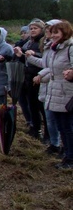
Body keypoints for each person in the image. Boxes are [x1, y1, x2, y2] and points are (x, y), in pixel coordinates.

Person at [25, 20, 73, 169]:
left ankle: (71, 159)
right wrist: (41, 76)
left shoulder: (70, 47)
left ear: (65, 33)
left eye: (56, 33)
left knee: (67, 127)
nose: (52, 36)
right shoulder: (55, 48)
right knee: (61, 126)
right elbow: (51, 69)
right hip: (55, 91)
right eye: (51, 33)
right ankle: (66, 154)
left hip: (67, 93)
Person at [31, 20, 63, 155]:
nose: (50, 32)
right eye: (49, 29)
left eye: (54, 30)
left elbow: (56, 69)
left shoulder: (64, 48)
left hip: (60, 89)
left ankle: (63, 147)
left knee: (61, 122)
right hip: (48, 88)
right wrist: (29, 58)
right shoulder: (49, 46)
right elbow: (46, 64)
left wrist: (41, 76)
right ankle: (54, 144)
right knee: (49, 119)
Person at [13, 19, 47, 140]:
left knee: (42, 107)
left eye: (35, 28)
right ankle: (35, 128)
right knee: (32, 105)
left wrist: (35, 55)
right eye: (31, 28)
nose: (32, 30)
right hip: (28, 77)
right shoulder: (28, 42)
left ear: (41, 29)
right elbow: (25, 60)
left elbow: (46, 59)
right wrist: (20, 54)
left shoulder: (44, 42)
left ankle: (47, 132)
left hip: (41, 77)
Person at [15, 25, 33, 129]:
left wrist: (21, 55)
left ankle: (34, 121)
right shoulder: (18, 44)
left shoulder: (32, 45)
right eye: (21, 33)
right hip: (19, 75)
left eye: (25, 32)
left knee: (30, 101)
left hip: (29, 76)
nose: (23, 35)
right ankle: (28, 120)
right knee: (22, 100)